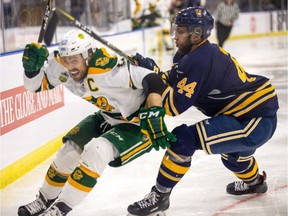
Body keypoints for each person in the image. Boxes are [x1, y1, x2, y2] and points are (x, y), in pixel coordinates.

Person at [127, 6, 279, 216]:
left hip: (254, 120)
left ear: (197, 34)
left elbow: (172, 106)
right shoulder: (195, 54)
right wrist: (153, 71)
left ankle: (159, 197)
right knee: (232, 158)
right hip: (251, 114)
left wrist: (152, 78)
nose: (174, 36)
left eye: (180, 31)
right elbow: (168, 80)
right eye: (175, 30)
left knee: (183, 139)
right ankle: (255, 183)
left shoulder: (197, 60)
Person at [18, 29, 175, 216]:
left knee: (96, 151)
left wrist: (154, 114)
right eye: (66, 60)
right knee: (69, 150)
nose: (70, 67)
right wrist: (31, 69)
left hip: (138, 123)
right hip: (108, 116)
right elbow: (34, 86)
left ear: (88, 56)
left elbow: (155, 81)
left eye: (74, 60)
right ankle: (44, 200)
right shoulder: (63, 65)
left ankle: (60, 210)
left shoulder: (110, 69)